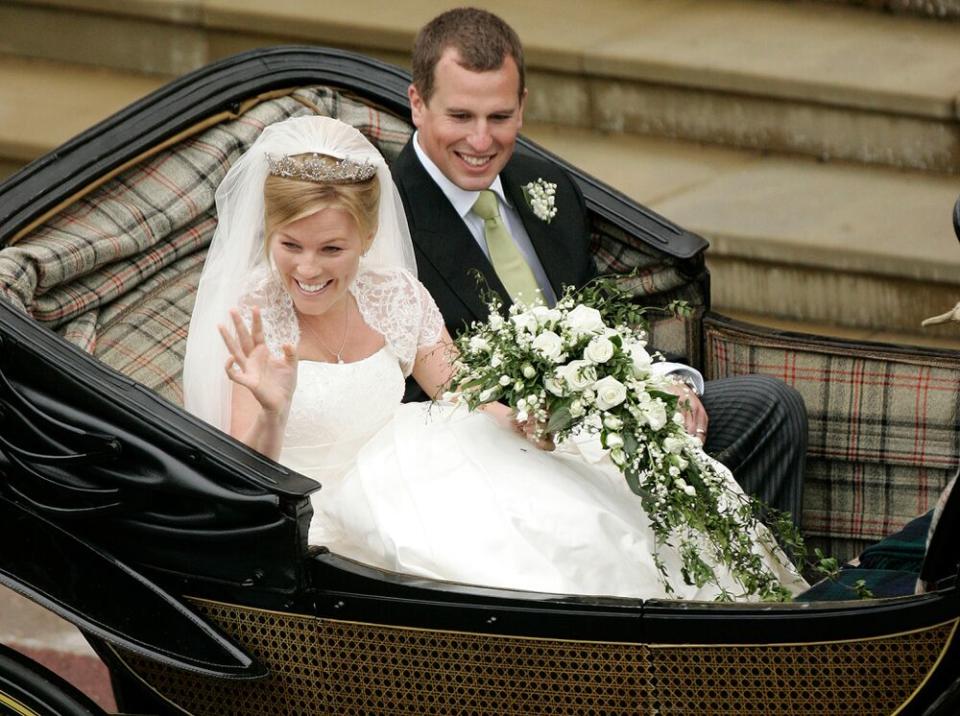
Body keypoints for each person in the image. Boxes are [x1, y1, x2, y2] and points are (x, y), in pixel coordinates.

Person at [182, 114, 806, 601]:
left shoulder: (396, 294)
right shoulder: (254, 315)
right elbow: (250, 485)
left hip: (421, 463)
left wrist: (531, 417)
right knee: (509, 564)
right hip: (333, 510)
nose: (308, 269)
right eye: (290, 245)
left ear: (367, 240)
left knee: (586, 513)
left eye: (331, 248)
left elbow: (461, 391)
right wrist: (271, 405)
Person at [391, 7, 809, 525]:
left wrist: (665, 381)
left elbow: (598, 320)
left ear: (522, 107)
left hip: (603, 412)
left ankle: (757, 599)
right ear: (417, 103)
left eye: (499, 118)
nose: (481, 142)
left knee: (771, 407)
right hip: (493, 453)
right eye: (461, 117)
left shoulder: (548, 186)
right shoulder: (385, 212)